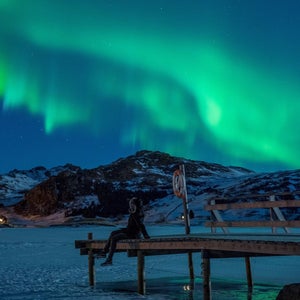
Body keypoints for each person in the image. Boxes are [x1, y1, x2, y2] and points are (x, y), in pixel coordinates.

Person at [98, 197, 150, 266]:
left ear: (135, 205)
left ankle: (109, 260)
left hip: (133, 235)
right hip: (130, 231)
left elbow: (141, 225)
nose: (130, 205)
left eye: (132, 204)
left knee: (114, 238)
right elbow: (132, 226)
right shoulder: (135, 212)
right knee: (113, 233)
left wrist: (146, 235)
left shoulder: (136, 213)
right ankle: (104, 252)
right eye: (130, 204)